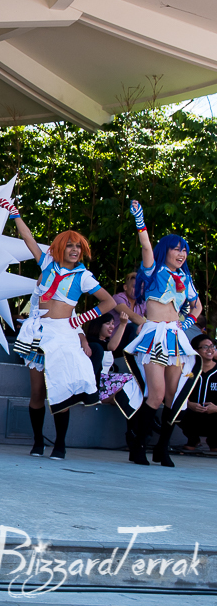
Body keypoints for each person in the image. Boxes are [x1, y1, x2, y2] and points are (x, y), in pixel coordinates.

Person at [0, 197, 116, 460]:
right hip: (39, 333)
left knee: (61, 388)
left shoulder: (83, 276)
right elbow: (28, 239)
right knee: (37, 392)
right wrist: (15, 214)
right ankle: (38, 441)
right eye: (70, 245)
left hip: (63, 334)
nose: (74, 250)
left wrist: (79, 320)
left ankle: (60, 445)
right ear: (60, 248)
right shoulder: (47, 265)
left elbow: (109, 302)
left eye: (78, 246)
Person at [123, 200, 204, 467]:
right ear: (165, 251)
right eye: (176, 249)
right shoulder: (154, 270)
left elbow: (197, 306)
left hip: (175, 337)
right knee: (156, 395)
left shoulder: (186, 278)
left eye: (184, 250)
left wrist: (186, 322)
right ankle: (138, 445)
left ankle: (162, 448)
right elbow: (146, 246)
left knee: (173, 395)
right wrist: (139, 220)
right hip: (154, 335)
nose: (181, 254)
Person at [84, 311, 137, 403]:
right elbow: (111, 347)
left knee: (134, 381)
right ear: (98, 325)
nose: (112, 327)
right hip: (97, 382)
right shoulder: (91, 343)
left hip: (106, 379)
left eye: (113, 323)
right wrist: (123, 324)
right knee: (127, 381)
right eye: (108, 323)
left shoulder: (106, 342)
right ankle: (106, 399)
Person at [180, 334, 217, 452]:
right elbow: (176, 391)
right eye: (205, 347)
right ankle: (193, 439)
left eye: (212, 346)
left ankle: (214, 441)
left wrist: (216, 408)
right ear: (196, 350)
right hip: (192, 415)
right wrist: (189, 404)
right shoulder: (189, 370)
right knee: (177, 408)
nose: (210, 350)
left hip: (214, 416)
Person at [110, 272, 145, 347]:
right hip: (114, 342)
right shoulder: (117, 298)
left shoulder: (142, 303)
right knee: (133, 327)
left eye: (141, 288)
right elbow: (133, 317)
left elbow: (155, 317)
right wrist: (150, 327)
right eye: (134, 287)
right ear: (125, 287)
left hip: (130, 340)